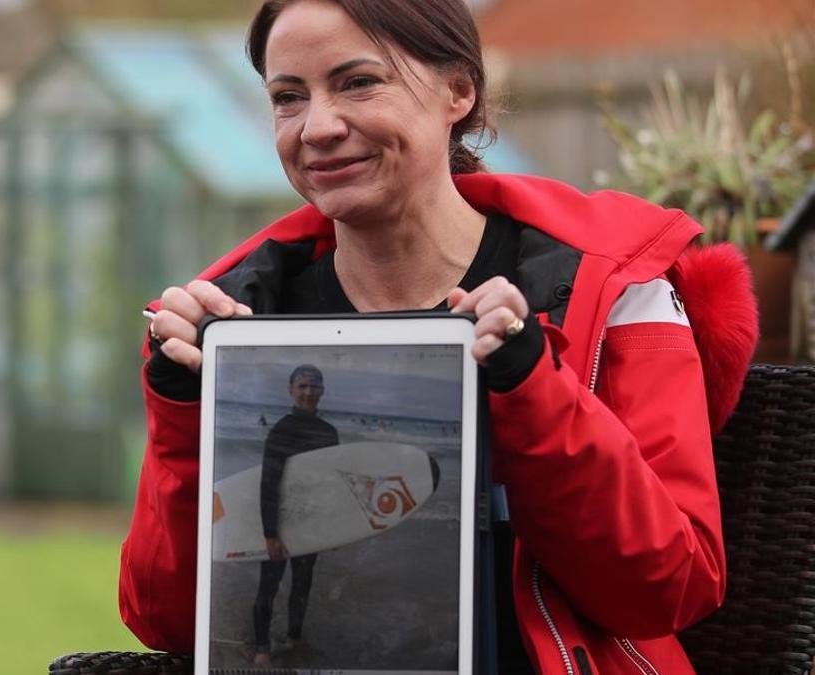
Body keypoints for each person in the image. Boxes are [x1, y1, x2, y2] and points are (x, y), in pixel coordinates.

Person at [118, 0, 758, 672]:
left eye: (359, 82)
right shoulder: (238, 315)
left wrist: (530, 385)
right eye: (288, 97)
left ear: (459, 89)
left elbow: (667, 588)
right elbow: (164, 618)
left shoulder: (614, 288)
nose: (318, 126)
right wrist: (184, 413)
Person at [253, 364, 339, 665]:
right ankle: (262, 647)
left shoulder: (329, 433)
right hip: (280, 520)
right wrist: (270, 533)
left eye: (314, 386)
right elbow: (269, 483)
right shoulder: (281, 431)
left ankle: (294, 635)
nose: (308, 391)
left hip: (310, 522)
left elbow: (330, 486)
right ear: (291, 390)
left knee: (303, 582)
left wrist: (333, 528)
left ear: (322, 391)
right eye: (302, 385)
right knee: (270, 585)